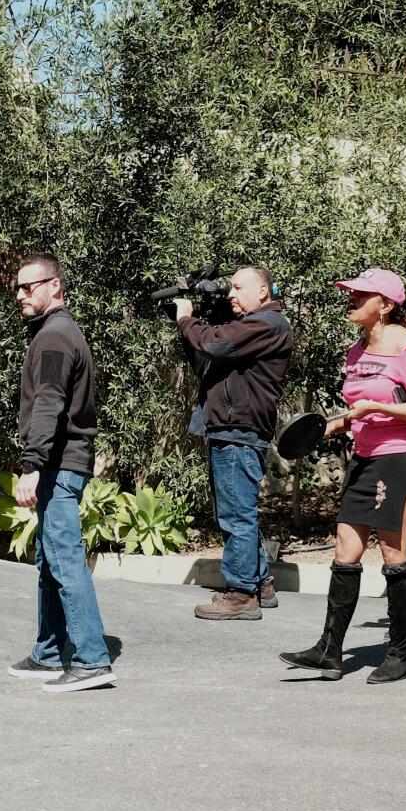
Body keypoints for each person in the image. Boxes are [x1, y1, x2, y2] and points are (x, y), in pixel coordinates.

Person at [280, 268, 406, 683]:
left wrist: (378, 409)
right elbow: (359, 408)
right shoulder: (356, 352)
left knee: (393, 555)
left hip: (403, 459)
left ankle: (401, 654)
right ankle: (329, 652)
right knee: (345, 552)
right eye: (351, 294)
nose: (351, 299)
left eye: (361, 295)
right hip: (365, 457)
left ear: (386, 305)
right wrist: (338, 425)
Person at [4, 254, 115, 693]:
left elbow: (49, 401)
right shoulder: (56, 333)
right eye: (18, 288)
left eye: (28, 287)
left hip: (59, 465)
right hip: (59, 463)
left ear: (55, 286)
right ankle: (49, 653)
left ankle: (92, 658)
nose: (20, 296)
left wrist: (32, 464)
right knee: (51, 560)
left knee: (66, 558)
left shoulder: (53, 338)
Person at [176, 265, 296, 620]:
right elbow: (210, 357)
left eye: (238, 287)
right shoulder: (254, 326)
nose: (230, 294)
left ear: (263, 291)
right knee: (236, 510)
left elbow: (214, 343)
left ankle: (241, 594)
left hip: (239, 431)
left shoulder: (267, 324)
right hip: (231, 428)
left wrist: (186, 320)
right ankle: (260, 582)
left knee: (236, 514)